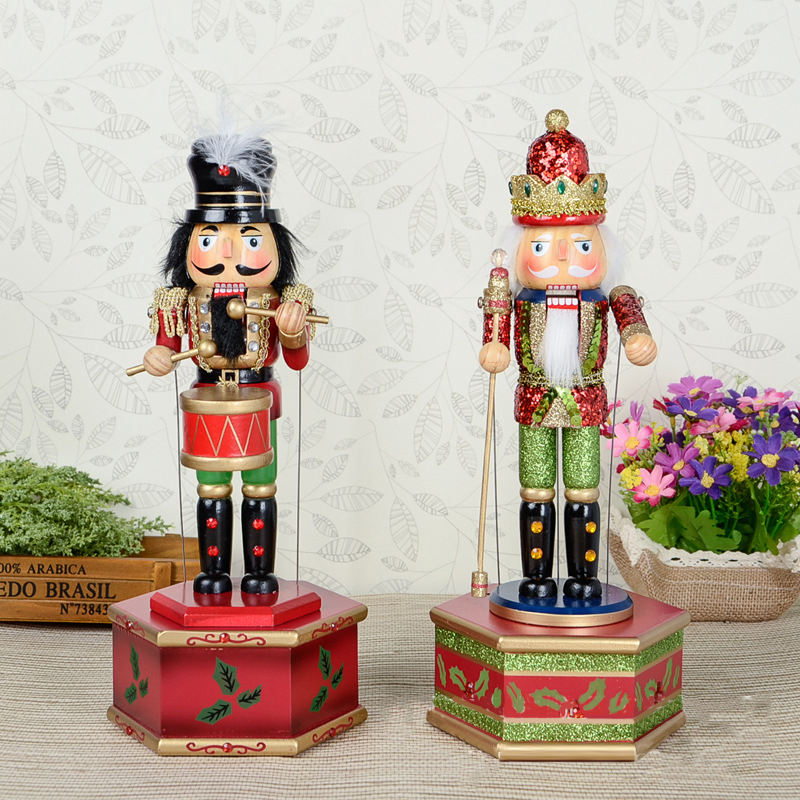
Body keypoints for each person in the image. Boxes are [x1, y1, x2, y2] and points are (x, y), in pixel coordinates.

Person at [479, 109, 657, 600]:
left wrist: (638, 339)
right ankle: (536, 577)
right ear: (519, 250)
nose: (562, 256)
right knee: (535, 489)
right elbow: (496, 326)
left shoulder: (606, 295)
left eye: (580, 244)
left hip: (585, 402)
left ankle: (583, 577)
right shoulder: (516, 295)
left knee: (582, 489)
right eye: (542, 246)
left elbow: (631, 317)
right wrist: (494, 345)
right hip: (535, 399)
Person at [140, 132, 314, 596]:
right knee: (211, 488)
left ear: (277, 246)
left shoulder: (283, 299)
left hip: (260, 399)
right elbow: (165, 345)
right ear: (186, 245)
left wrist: (293, 330)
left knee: (260, 487)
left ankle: (259, 574)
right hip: (206, 398)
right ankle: (213, 574)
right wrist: (159, 355)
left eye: (250, 239)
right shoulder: (180, 299)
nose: (230, 253)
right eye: (210, 239)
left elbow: (297, 360)